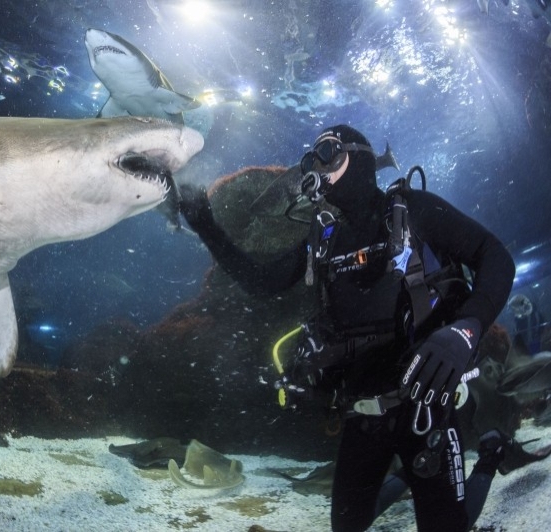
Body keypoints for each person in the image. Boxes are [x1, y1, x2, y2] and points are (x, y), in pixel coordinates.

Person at [179, 124, 547, 531]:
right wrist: (206, 226)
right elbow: (260, 281)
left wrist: (466, 330)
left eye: (328, 153)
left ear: (362, 159)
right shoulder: (323, 239)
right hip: (362, 416)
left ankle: (491, 456)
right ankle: (407, 477)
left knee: (450, 523)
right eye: (311, 159)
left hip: (427, 408)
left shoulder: (414, 210)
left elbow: (494, 256)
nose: (316, 167)